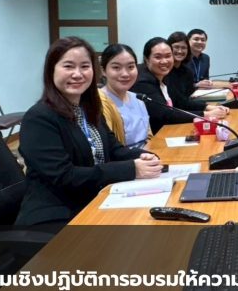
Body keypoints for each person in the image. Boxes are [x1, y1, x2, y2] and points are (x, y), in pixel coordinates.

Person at [17, 37, 162, 227]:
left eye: (85, 66)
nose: (78, 74)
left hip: (95, 200)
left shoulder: (88, 109)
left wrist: (143, 156)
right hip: (57, 215)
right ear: (51, 70)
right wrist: (131, 169)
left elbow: (114, 149)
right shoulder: (39, 118)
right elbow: (64, 176)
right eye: (68, 66)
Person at [132, 37, 228, 133]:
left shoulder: (164, 75)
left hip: (169, 130)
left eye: (168, 56)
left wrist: (208, 107)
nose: (164, 61)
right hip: (156, 136)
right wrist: (206, 114)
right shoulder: (143, 82)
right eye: (158, 57)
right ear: (147, 59)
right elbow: (166, 115)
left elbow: (180, 102)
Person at [99, 43, 151, 149]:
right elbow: (109, 147)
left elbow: (149, 136)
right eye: (116, 67)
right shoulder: (100, 101)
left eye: (131, 67)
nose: (125, 74)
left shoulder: (138, 98)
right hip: (125, 158)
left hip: (149, 154)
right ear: (103, 71)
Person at [167, 31, 230, 116]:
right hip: (172, 116)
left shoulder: (186, 71)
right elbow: (178, 103)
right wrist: (206, 113)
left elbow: (187, 101)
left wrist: (209, 107)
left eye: (183, 48)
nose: (180, 51)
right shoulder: (165, 71)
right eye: (176, 47)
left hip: (188, 108)